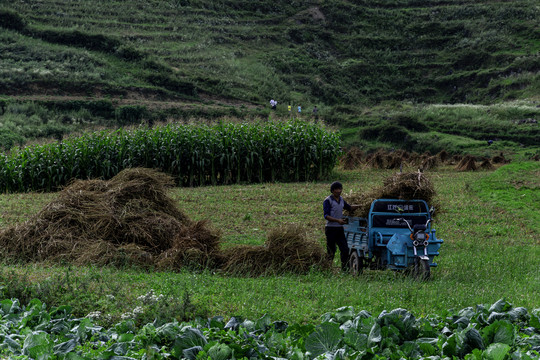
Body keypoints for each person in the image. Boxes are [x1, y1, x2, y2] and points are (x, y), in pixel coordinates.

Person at [323, 181, 359, 272]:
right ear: (332, 190)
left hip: (339, 229)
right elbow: (326, 216)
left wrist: (361, 206)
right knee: (331, 250)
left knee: (345, 249)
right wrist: (338, 220)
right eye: (336, 189)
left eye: (340, 189)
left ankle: (345, 270)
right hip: (330, 229)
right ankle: (327, 269)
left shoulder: (341, 199)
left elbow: (349, 208)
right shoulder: (328, 201)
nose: (339, 191)